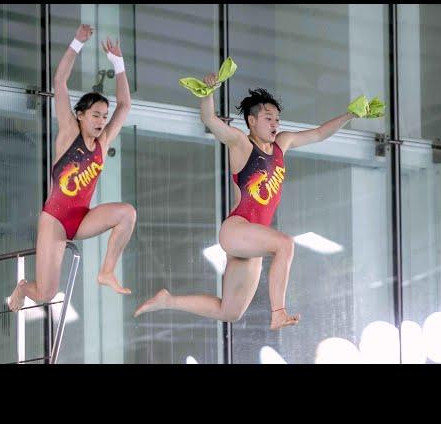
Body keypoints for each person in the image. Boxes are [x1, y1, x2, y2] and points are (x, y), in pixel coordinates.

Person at [135, 73, 380, 329]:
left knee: (230, 312)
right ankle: (279, 312)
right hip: (237, 230)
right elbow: (209, 119)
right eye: (268, 118)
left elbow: (319, 134)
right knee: (285, 244)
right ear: (252, 121)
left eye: (277, 119)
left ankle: (168, 301)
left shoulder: (282, 144)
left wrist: (351, 115)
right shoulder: (241, 144)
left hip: (253, 240)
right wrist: (207, 94)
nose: (274, 124)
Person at [8, 24, 135, 312]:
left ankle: (106, 271)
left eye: (104, 116)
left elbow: (125, 105)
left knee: (128, 213)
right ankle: (22, 287)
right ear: (80, 116)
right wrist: (76, 43)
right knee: (45, 292)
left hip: (81, 218)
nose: (102, 121)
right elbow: (59, 82)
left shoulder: (102, 143)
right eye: (95, 115)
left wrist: (118, 64)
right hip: (54, 221)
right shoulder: (68, 133)